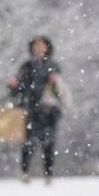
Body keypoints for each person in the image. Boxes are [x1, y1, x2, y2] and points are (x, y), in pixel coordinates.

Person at [9, 36, 63, 184]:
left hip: (50, 110)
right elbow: (19, 88)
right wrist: (14, 86)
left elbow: (59, 91)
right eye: (36, 46)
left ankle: (48, 174)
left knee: (49, 143)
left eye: (42, 45)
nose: (39, 48)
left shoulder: (54, 66)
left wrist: (54, 85)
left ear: (47, 47)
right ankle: (25, 172)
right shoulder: (27, 66)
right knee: (28, 143)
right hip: (31, 110)